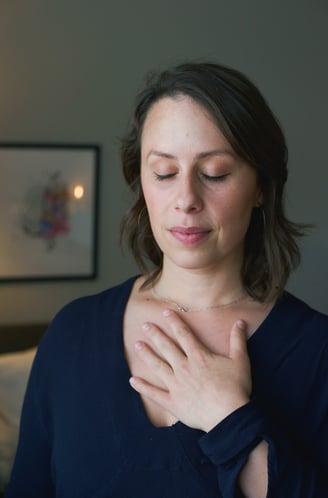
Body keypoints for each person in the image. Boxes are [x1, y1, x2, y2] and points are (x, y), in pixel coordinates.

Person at [5, 62, 328, 498]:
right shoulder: (72, 332)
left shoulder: (316, 351)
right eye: (164, 172)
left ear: (260, 188)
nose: (187, 200)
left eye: (214, 173)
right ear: (141, 181)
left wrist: (228, 417)